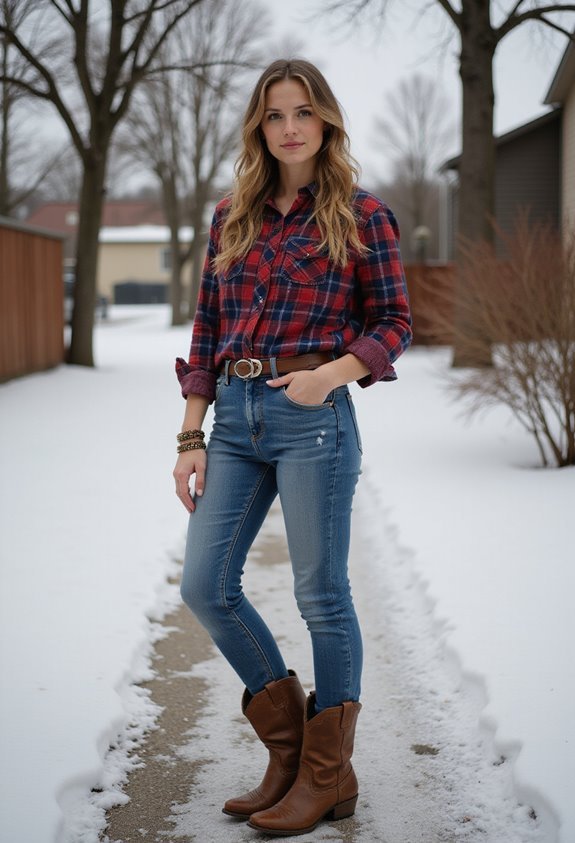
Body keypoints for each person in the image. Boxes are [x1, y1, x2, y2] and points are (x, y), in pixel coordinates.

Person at [173, 58, 411, 837]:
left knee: (320, 594)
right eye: (274, 115)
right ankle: (287, 753)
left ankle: (325, 774)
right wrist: (191, 432)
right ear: (259, 128)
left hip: (313, 415)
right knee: (206, 585)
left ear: (326, 120)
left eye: (302, 111)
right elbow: (206, 329)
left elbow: (394, 324)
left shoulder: (361, 214)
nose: (289, 127)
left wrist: (333, 375)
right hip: (235, 419)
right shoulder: (230, 217)